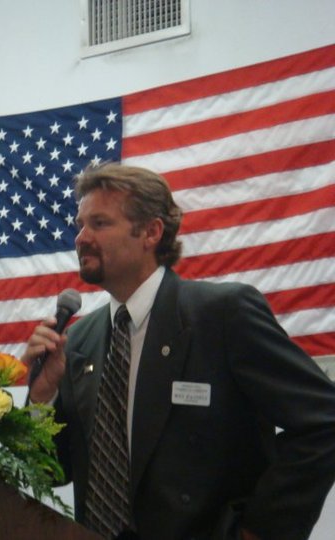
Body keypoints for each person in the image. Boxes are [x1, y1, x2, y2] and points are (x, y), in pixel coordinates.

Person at [22, 163, 335, 540]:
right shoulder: (79, 340)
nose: (81, 237)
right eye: (80, 224)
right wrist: (41, 398)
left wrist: (260, 530)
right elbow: (51, 471)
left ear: (151, 232)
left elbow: (323, 420)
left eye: (99, 223)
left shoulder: (221, 315)